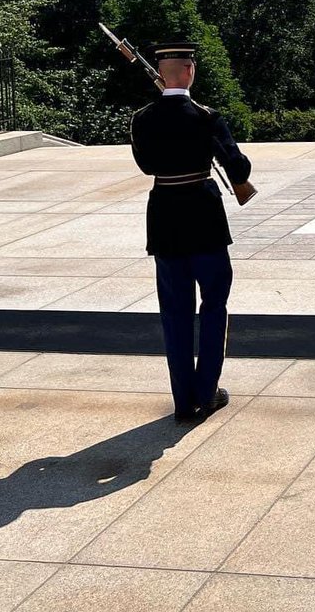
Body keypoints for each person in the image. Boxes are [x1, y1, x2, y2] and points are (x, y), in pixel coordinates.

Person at [130, 41, 252, 424]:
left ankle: (183, 401)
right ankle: (206, 391)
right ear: (189, 71)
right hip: (205, 221)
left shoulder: (142, 118)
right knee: (213, 307)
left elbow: (147, 165)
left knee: (175, 314)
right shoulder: (206, 116)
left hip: (165, 220)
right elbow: (239, 167)